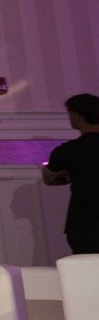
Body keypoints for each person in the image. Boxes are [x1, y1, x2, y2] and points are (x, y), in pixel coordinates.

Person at [45, 93, 99, 254]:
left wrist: (70, 176)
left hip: (86, 225)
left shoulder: (69, 151)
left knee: (87, 273)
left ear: (77, 116)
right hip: (85, 226)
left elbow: (49, 178)